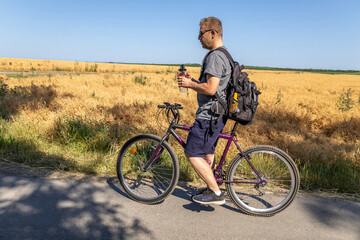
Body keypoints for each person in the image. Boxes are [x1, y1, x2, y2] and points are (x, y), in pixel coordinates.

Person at [177, 17, 231, 205]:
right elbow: (211, 86)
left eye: (201, 33)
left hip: (209, 115)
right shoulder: (224, 54)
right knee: (208, 153)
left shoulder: (215, 56)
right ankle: (211, 186)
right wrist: (195, 81)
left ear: (212, 33)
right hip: (217, 114)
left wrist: (190, 84)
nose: (198, 37)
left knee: (192, 152)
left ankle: (215, 193)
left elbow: (211, 89)